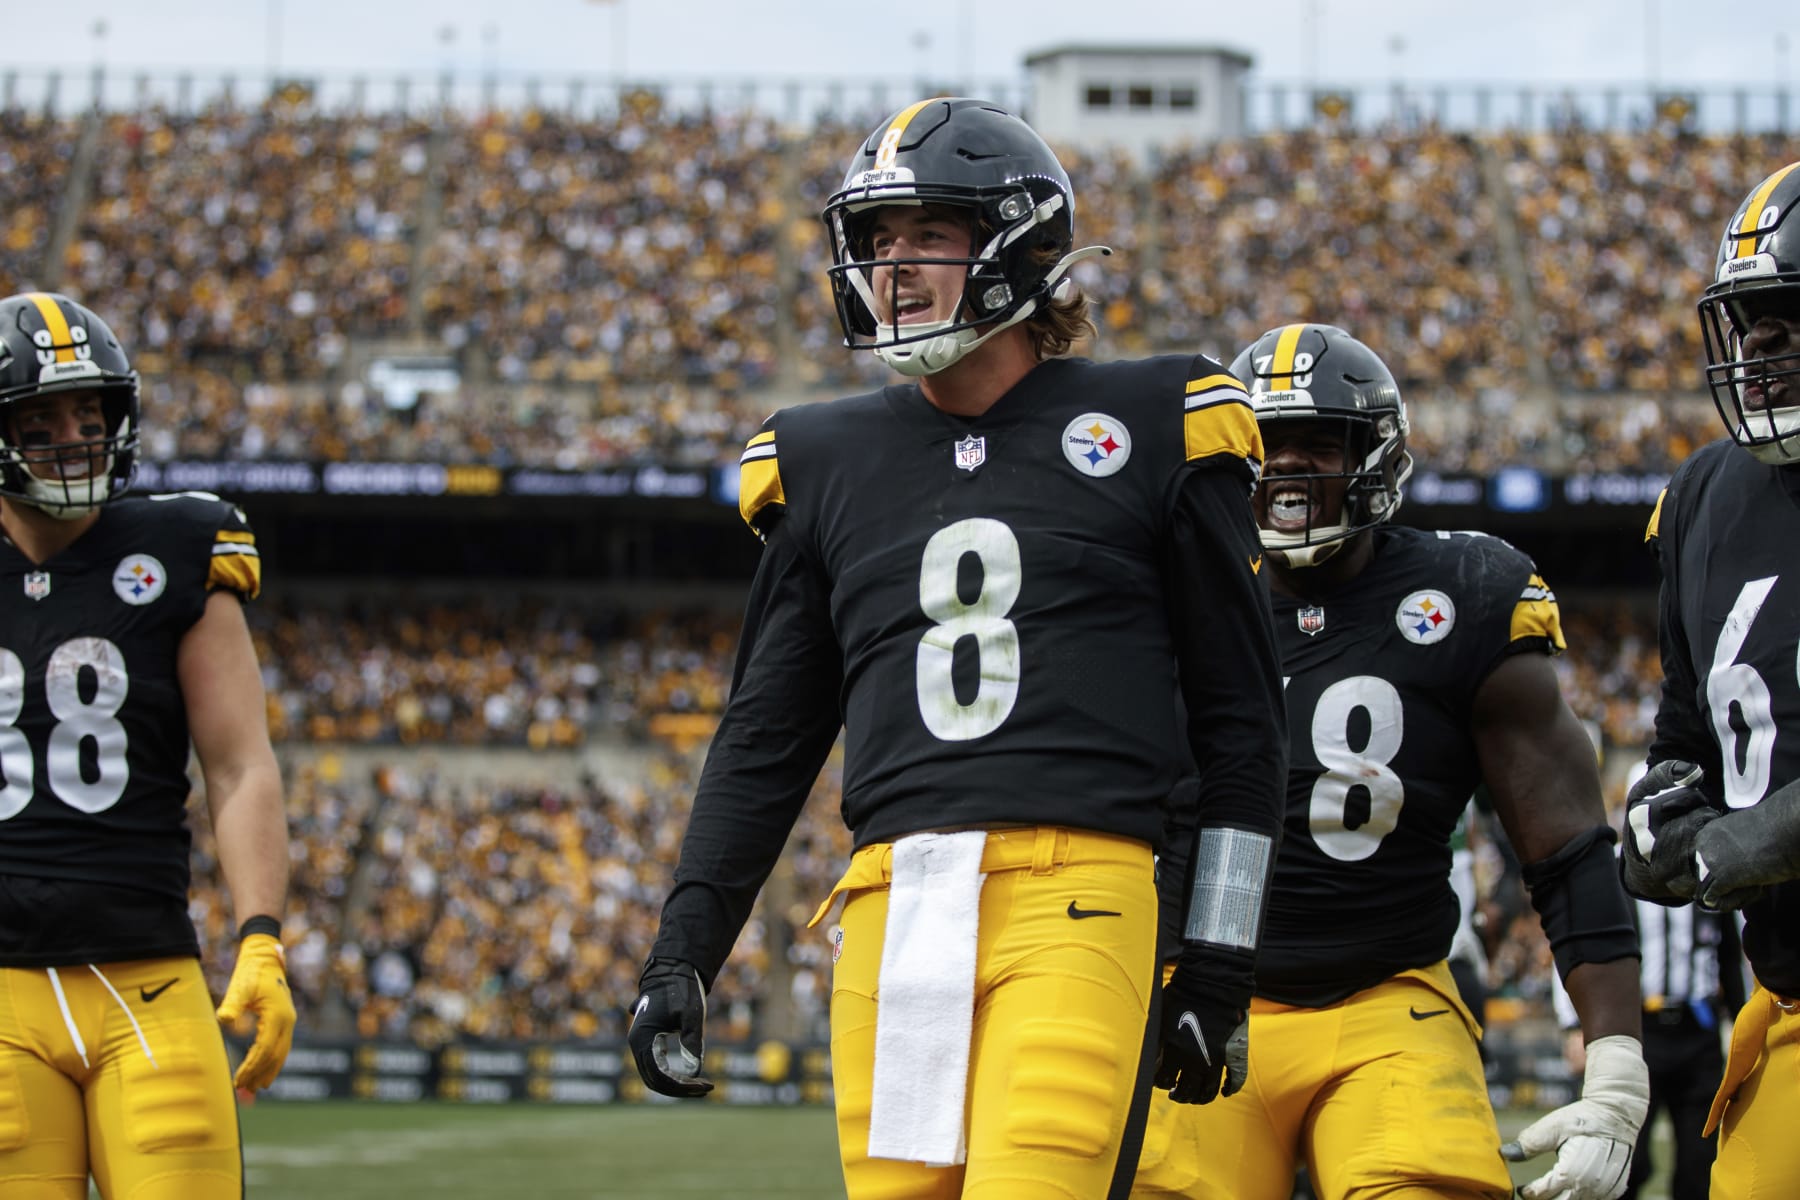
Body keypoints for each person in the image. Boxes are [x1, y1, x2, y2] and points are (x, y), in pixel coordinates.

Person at [628, 97, 1288, 1199]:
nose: (895, 268)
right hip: (894, 902)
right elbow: (763, 739)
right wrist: (683, 951)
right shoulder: (821, 455)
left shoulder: (1162, 416)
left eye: (928, 234)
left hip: (1080, 887)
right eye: (877, 242)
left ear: (1021, 242)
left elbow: (1243, 727)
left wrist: (1217, 962)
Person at [1134, 323, 1646, 1200]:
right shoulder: (1164, 593)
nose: (1288, 469)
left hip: (1388, 999)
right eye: (1268, 445)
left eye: (1316, 444)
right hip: (1199, 992)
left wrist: (1617, 1070)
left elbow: (1564, 851)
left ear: (1375, 456)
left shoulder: (1467, 596)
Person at [0, 292, 294, 1198]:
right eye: (41, 418)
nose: (73, 436)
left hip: (150, 979)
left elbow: (239, 763)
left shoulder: (177, 545)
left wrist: (261, 940)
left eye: (89, 413)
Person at [1621, 159, 1800, 1200]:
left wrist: (1761, 836)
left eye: (1787, 319)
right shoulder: (1703, 494)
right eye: (1750, 324)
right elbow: (1687, 726)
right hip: (1782, 1001)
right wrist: (1662, 809)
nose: (1759, 350)